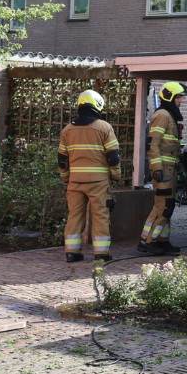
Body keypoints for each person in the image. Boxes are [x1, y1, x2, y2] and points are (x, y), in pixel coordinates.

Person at [58, 88, 122, 266]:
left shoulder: (67, 130)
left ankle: (72, 252)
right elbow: (113, 156)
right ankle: (101, 254)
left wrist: (65, 178)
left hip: (75, 182)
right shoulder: (104, 127)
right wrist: (116, 175)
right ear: (97, 105)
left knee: (74, 216)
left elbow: (62, 159)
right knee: (100, 216)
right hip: (98, 182)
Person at [137, 81, 187, 255]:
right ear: (170, 97)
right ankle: (147, 241)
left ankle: (162, 241)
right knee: (162, 206)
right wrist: (157, 167)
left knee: (169, 206)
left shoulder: (169, 115)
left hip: (169, 170)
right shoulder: (163, 115)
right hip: (163, 170)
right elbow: (153, 143)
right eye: (179, 97)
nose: (181, 101)